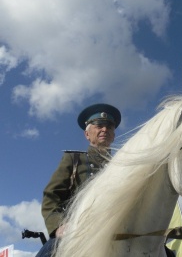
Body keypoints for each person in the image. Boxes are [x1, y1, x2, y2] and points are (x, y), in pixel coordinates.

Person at [36, 103, 121, 257]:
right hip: (78, 229)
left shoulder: (123, 165)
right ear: (87, 134)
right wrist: (59, 226)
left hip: (118, 228)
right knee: (50, 251)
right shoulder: (74, 159)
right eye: (99, 125)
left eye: (109, 126)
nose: (105, 129)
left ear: (113, 135)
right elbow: (51, 196)